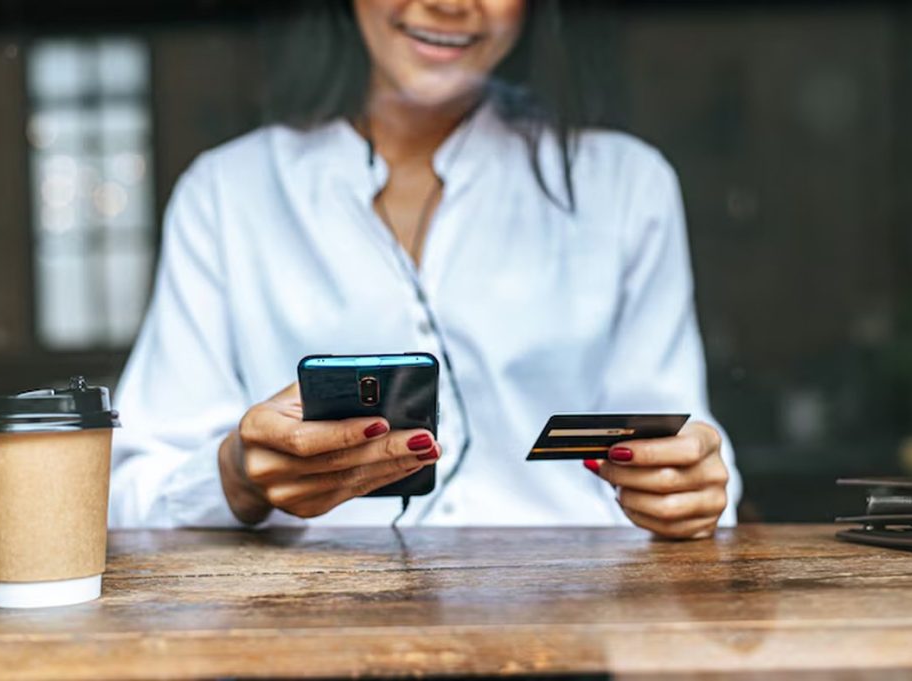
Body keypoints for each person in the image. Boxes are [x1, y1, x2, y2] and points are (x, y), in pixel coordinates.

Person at [108, 0, 741, 537]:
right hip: (310, 626)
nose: (450, 3)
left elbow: (689, 456)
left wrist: (691, 490)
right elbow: (130, 496)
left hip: (566, 622)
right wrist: (236, 476)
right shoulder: (227, 193)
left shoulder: (627, 185)